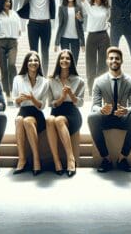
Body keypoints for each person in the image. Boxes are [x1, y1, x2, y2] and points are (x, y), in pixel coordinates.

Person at [87, 47, 131, 173]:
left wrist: (127, 110)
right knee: (92, 117)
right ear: (107, 61)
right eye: (111, 58)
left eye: (117, 58)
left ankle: (122, 159)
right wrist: (101, 110)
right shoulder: (98, 81)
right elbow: (94, 106)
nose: (114, 61)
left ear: (121, 61)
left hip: (122, 118)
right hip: (106, 118)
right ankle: (106, 159)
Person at [69, 0, 111, 93]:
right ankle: (92, 91)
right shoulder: (88, 6)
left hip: (104, 37)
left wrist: (109, 22)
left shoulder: (107, 8)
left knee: (103, 66)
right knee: (91, 65)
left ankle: (101, 90)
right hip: (91, 37)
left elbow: (110, 18)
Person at [46, 49, 85, 177]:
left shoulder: (79, 80)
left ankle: (70, 159)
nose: (64, 60)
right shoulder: (51, 80)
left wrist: (71, 95)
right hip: (56, 109)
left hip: (72, 113)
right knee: (49, 120)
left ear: (71, 61)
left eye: (67, 58)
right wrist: (62, 97)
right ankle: (57, 162)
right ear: (58, 61)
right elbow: (51, 103)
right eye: (62, 58)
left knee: (59, 120)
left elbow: (80, 103)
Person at [12, 52, 49, 175]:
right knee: (18, 120)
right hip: (23, 110)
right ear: (26, 64)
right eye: (30, 61)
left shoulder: (44, 81)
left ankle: (36, 159)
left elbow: (42, 106)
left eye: (36, 60)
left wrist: (32, 98)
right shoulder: (18, 79)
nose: (33, 63)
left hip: (36, 113)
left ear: (39, 64)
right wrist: (19, 99)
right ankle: (22, 159)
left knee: (27, 121)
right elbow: (15, 102)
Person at [0, 0, 23, 99]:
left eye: (9, 1)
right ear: (0, 3)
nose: (7, 3)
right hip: (1, 43)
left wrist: (17, 32)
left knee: (12, 65)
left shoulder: (14, 14)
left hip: (13, 42)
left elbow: (19, 29)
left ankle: (15, 89)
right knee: (4, 70)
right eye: (5, 1)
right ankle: (7, 94)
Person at [53, 0, 84, 66]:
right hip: (64, 38)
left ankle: (73, 77)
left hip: (76, 39)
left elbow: (81, 24)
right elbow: (60, 25)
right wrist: (56, 42)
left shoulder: (78, 7)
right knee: (65, 60)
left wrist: (83, 43)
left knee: (74, 61)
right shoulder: (62, 8)